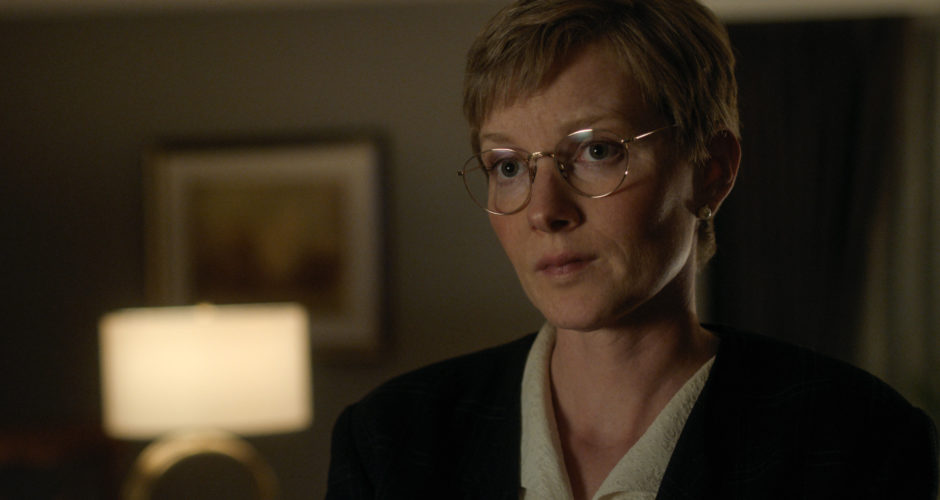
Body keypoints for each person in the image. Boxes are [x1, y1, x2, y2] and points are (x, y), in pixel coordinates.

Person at [326, 0, 939, 498]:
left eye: (597, 151)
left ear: (711, 171)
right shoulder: (391, 440)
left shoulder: (856, 443)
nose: (544, 210)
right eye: (508, 166)